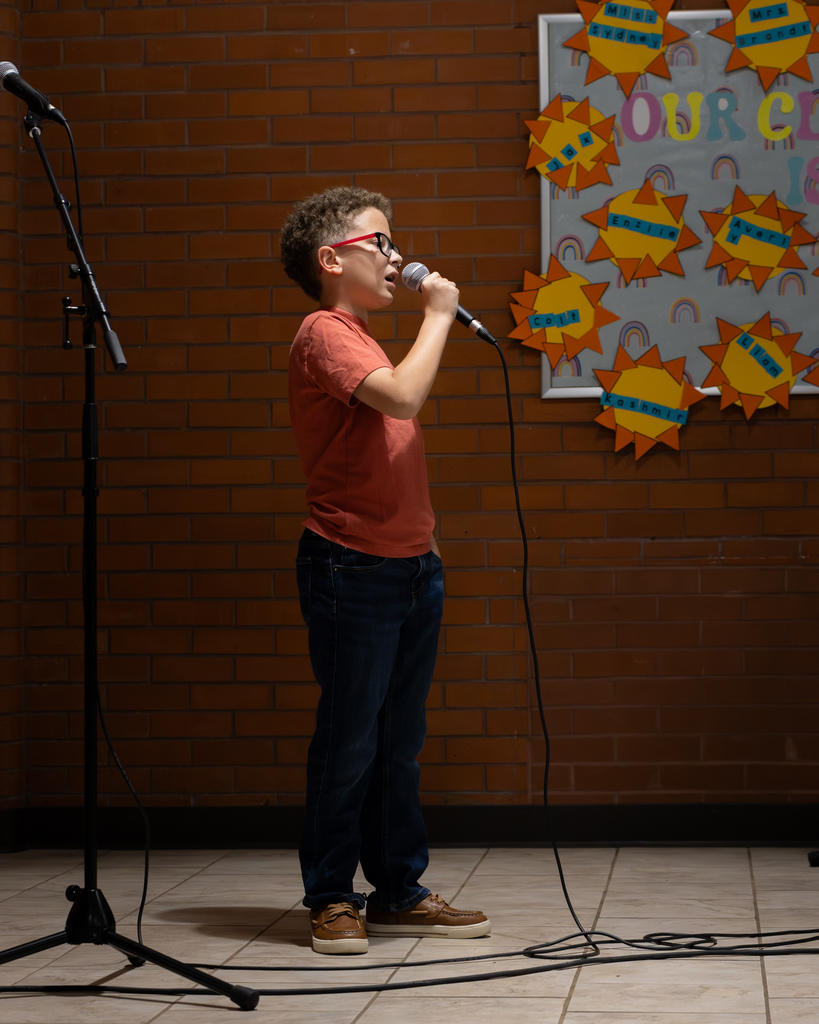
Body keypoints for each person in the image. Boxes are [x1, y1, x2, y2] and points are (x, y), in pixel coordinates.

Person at [281, 186, 490, 954]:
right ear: (332, 259)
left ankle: (397, 888)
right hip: (350, 567)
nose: (396, 255)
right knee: (350, 741)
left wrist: (425, 549)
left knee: (399, 741)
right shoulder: (324, 331)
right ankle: (332, 896)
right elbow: (401, 401)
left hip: (410, 568)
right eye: (381, 241)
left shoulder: (363, 335)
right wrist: (439, 313)